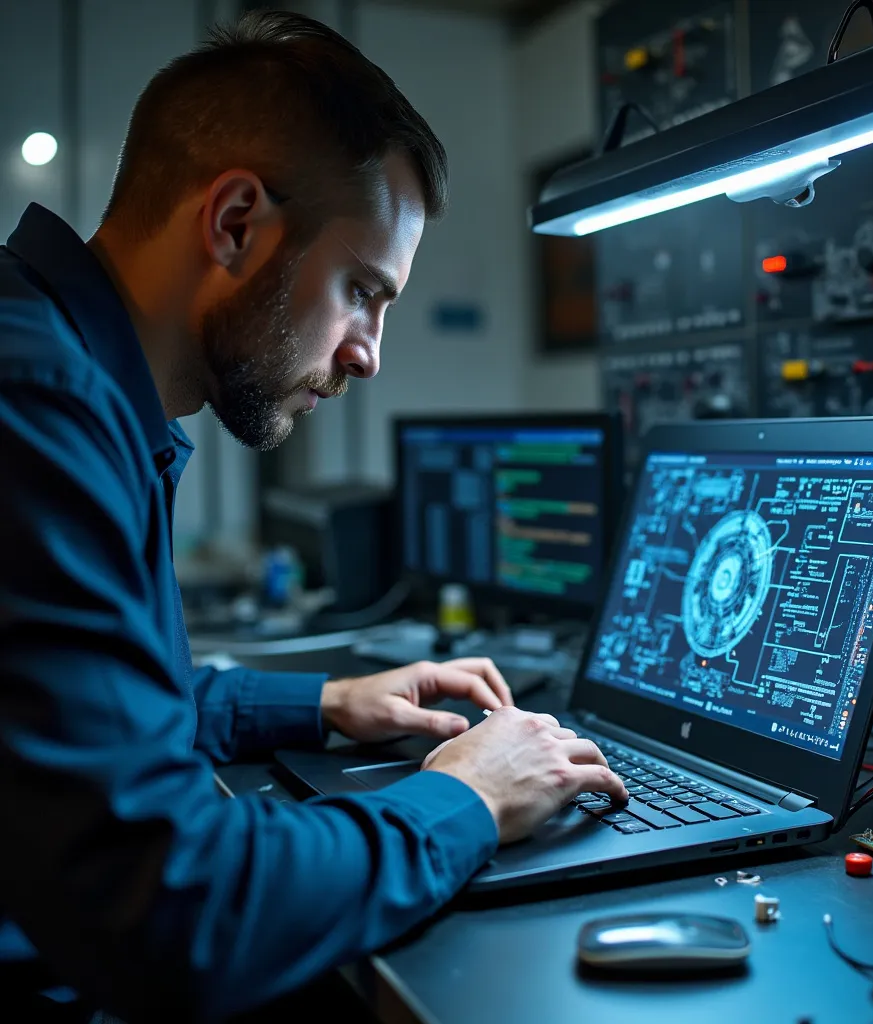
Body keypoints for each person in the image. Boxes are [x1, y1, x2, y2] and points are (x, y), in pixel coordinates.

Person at [0, 11, 627, 1022]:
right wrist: (464, 797)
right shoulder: (36, 405)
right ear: (235, 221)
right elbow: (175, 910)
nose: (368, 353)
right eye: (362, 292)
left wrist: (328, 701)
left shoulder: (67, 376)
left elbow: (92, 713)